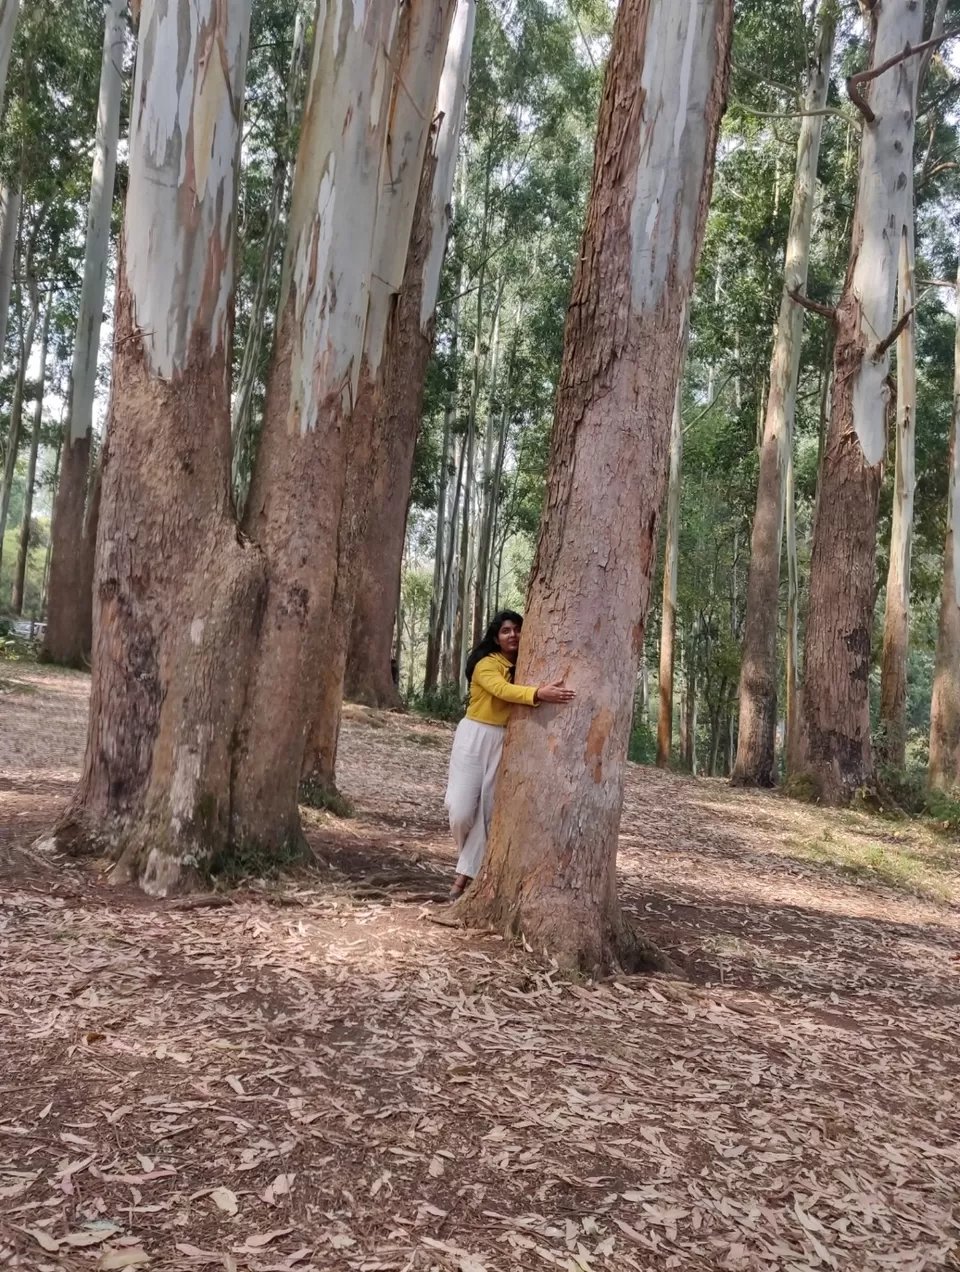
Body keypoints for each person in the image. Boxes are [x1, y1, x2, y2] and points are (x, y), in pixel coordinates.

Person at [445, 610, 575, 899]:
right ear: (496, 638)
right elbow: (501, 690)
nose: (513, 635)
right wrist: (538, 694)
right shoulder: (486, 664)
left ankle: (462, 879)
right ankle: (469, 863)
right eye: (506, 631)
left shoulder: (526, 666)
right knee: (460, 810)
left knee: (487, 811)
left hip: (505, 739)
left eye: (517, 629)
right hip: (474, 735)